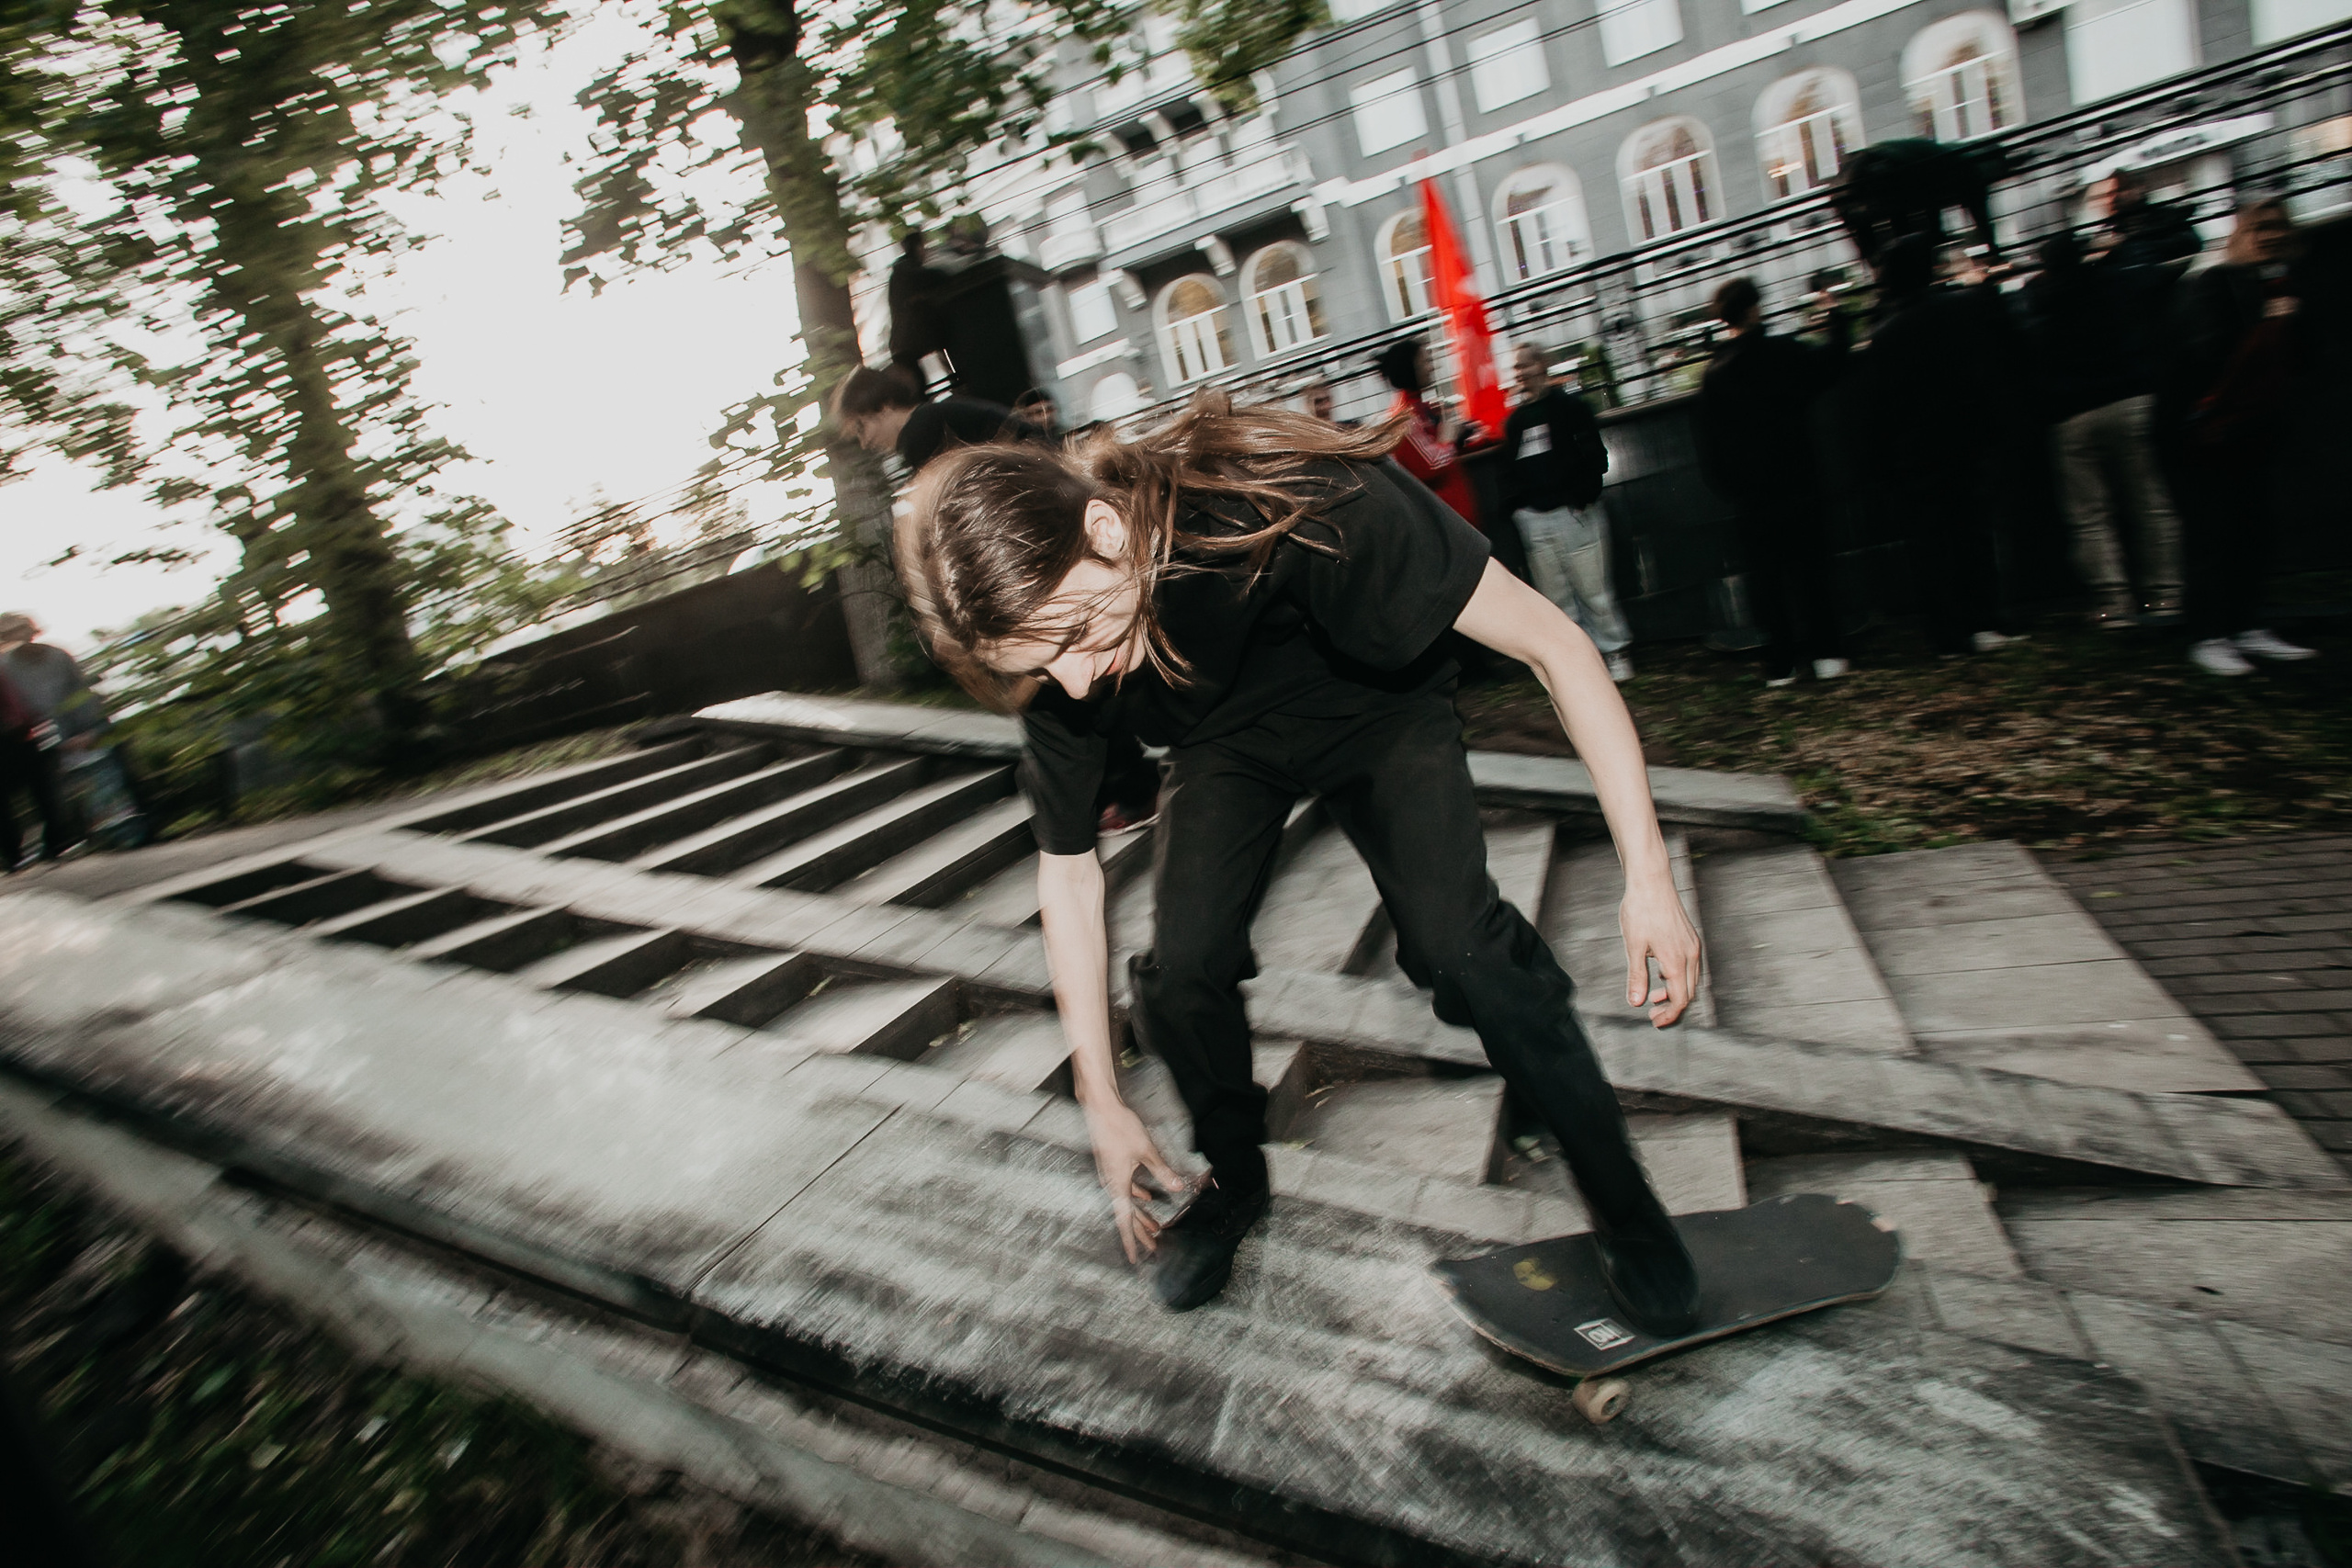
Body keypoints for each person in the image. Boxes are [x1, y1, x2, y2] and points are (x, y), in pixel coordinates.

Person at [893, 393, 1706, 1333]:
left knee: (1459, 948)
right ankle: (1235, 1182)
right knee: (1183, 969)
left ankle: (1623, 1204)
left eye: (1077, 635)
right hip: (1223, 744)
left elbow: (1558, 649)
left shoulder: (1294, 497)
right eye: (1043, 664)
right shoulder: (1064, 662)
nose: (1078, 681)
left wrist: (1648, 879)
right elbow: (1067, 874)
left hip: (1375, 707)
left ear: (1107, 528)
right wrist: (1098, 1094)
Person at [2159, 198, 2321, 676]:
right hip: (2207, 432)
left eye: (2278, 227)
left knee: (2252, 528)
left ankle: (2244, 625)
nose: (2271, 236)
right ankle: (2211, 633)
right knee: (2215, 532)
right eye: (2261, 228)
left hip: (2248, 431)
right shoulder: (2216, 283)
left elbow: (2302, 357)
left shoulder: (2276, 283)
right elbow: (2206, 356)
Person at [1862, 236, 2016, 659]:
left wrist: (1883, 464)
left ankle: (1947, 636)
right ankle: (1985, 622)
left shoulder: (1885, 335)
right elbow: (1987, 372)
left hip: (1915, 455)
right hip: (1965, 441)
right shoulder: (1961, 310)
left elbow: (1877, 408)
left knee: (1931, 549)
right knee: (1974, 534)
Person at [1695, 278, 1852, 685]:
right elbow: (1832, 363)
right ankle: (1827, 652)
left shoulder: (1715, 374)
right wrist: (1836, 317)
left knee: (1768, 582)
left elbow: (1709, 445)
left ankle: (1779, 663)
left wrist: (1733, 486)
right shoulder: (1782, 353)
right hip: (1797, 480)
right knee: (1812, 572)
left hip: (1752, 496)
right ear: (1754, 309)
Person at [2024, 233, 2185, 629]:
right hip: (2129, 401)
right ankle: (2167, 595)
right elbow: (2160, 272)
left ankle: (2114, 602)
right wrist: (2124, 246)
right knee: (2150, 503)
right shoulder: (2114, 281)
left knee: (2089, 516)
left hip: (2070, 416)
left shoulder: (2035, 302)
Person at [1501, 344, 1634, 682]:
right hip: (1536, 520)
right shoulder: (1515, 421)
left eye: (1526, 365)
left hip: (1574, 513)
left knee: (1594, 589)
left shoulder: (1571, 407)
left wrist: (1582, 498)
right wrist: (1520, 510)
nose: (1520, 373)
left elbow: (1594, 455)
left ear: (1543, 365)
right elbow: (1509, 470)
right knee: (1556, 598)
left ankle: (1614, 652)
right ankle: (1580, 664)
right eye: (1516, 367)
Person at [831, 364, 1028, 472]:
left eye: (861, 428)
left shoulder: (918, 435)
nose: (865, 443)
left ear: (884, 407)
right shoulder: (927, 418)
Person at [1372, 337, 1480, 526]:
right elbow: (1429, 465)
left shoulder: (1419, 408)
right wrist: (1450, 439)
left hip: (1454, 518)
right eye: (1425, 361)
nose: (1431, 367)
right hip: (1445, 522)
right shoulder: (1404, 417)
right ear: (1410, 367)